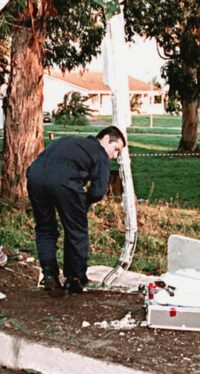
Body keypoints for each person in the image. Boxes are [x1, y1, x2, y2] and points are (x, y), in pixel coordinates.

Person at [26, 126, 126, 297]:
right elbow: (98, 191)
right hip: (64, 182)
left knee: (45, 228)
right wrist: (83, 203)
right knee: (76, 231)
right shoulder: (99, 152)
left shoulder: (68, 140)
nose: (114, 156)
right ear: (106, 139)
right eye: (115, 149)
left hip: (34, 177)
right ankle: (74, 278)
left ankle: (49, 274)